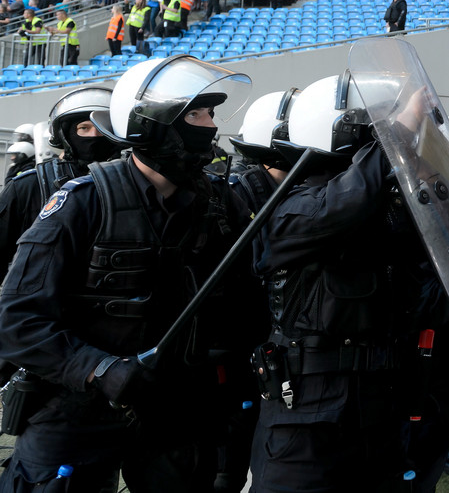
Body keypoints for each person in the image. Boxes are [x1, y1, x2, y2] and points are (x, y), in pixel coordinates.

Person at [248, 74, 449, 493]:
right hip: (305, 426)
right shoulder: (294, 210)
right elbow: (340, 205)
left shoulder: (384, 211)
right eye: (377, 129)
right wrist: (399, 131)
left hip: (379, 416)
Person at [0, 55, 262, 492]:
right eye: (196, 113)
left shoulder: (219, 204)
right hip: (76, 408)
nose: (211, 126)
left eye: (212, 113)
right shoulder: (82, 203)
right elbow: (17, 320)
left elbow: (248, 305)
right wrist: (99, 369)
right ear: (153, 124)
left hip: (176, 410)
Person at [0, 86, 119, 276]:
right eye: (83, 128)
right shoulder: (28, 187)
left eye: (102, 128)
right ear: (66, 135)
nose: (94, 137)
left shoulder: (136, 184)